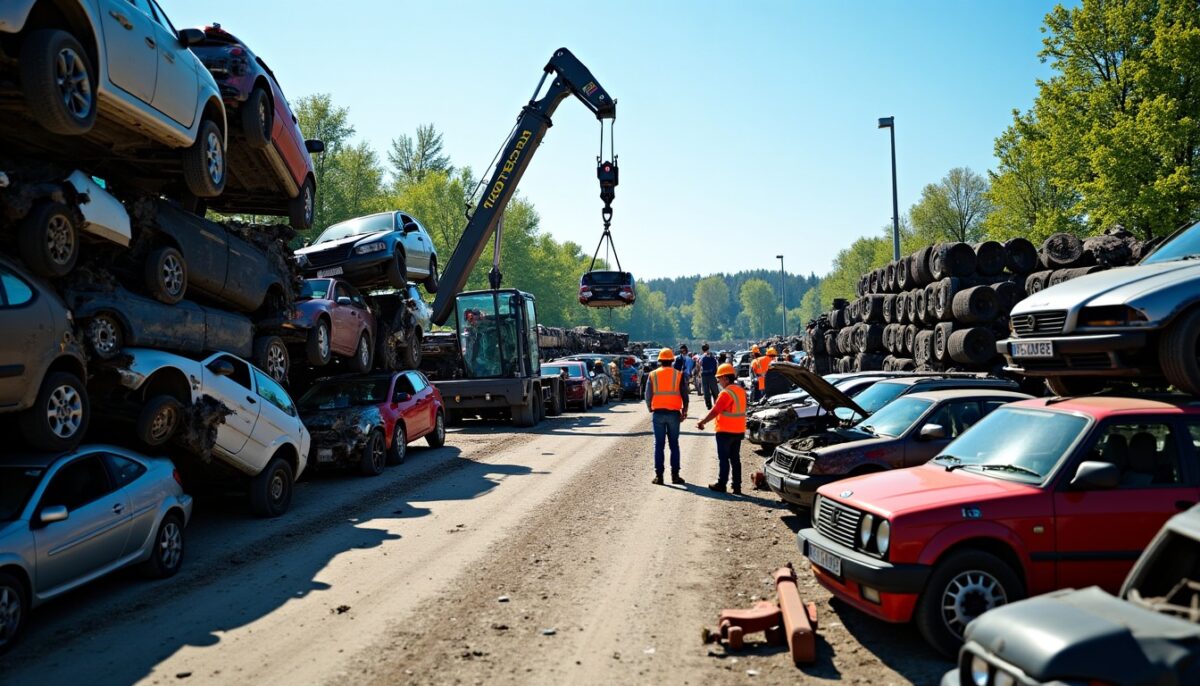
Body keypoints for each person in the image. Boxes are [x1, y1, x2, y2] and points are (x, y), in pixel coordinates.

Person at [697, 363, 746, 494]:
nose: (718, 381)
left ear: (725, 378)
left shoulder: (726, 393)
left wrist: (702, 422)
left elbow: (715, 411)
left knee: (724, 459)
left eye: (719, 378)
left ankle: (722, 483)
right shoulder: (741, 391)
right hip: (738, 430)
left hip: (725, 431)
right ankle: (737, 486)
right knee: (735, 459)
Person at [646, 347, 688, 485]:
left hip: (658, 413)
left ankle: (659, 476)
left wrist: (650, 408)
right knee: (674, 445)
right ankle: (675, 476)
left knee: (659, 445)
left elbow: (648, 395)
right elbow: (684, 394)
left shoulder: (652, 375)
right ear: (671, 360)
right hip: (674, 414)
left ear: (659, 361)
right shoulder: (678, 374)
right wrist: (685, 411)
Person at [699, 344, 719, 410]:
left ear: (702, 349)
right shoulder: (712, 356)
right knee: (715, 391)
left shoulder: (701, 357)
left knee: (706, 391)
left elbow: (699, 365)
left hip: (704, 376)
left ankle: (708, 405)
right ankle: (717, 404)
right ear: (708, 348)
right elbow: (715, 364)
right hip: (711, 375)